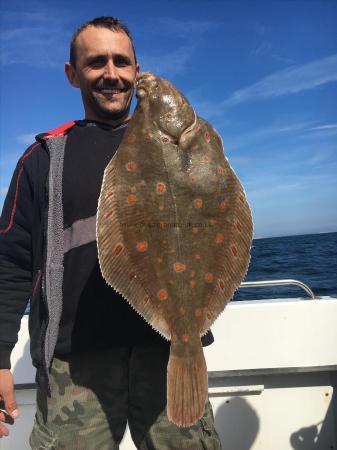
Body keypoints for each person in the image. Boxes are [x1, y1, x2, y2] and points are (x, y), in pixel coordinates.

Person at [0, 16, 222, 449]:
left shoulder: (189, 145)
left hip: (168, 352)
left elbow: (218, 212)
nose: (111, 74)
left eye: (122, 62)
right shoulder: (44, 158)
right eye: (95, 62)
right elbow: (10, 262)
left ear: (136, 71)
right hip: (75, 361)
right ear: (72, 74)